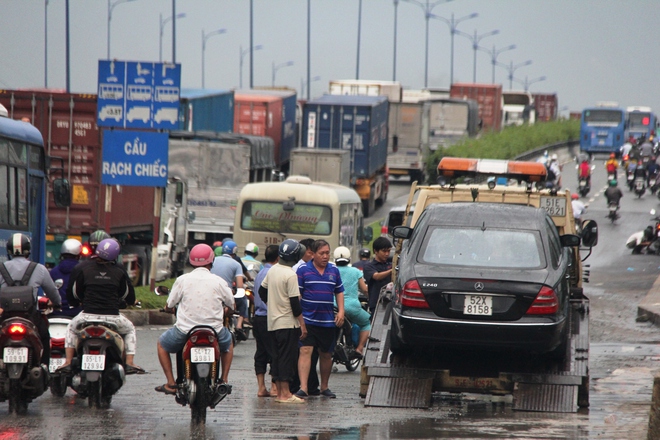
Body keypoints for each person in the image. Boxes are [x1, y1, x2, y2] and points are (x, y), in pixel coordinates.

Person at [155, 244, 235, 395]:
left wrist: (167, 309)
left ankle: (171, 383)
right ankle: (224, 380)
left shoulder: (182, 280)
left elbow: (170, 304)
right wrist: (228, 311)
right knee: (229, 343)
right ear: (211, 260)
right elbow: (231, 304)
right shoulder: (219, 281)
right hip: (215, 331)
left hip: (185, 330)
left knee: (161, 345)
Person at [58, 239, 143, 374]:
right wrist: (129, 301)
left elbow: (74, 293)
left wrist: (77, 302)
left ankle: (67, 362)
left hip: (87, 316)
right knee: (130, 329)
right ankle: (129, 362)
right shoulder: (119, 270)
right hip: (113, 318)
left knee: (71, 329)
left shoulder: (82, 268)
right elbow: (127, 295)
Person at [0, 233, 61, 365]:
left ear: (9, 251)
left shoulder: (1, 268)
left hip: (5, 317)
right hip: (31, 317)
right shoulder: (39, 269)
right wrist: (57, 304)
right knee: (44, 337)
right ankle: (44, 369)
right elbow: (53, 293)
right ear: (28, 250)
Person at [258, 239, 307, 404]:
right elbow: (295, 304)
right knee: (287, 358)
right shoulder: (290, 274)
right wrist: (302, 324)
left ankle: (279, 393)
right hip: (287, 323)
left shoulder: (273, 270)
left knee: (277, 358)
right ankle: (285, 394)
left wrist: (273, 305)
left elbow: (261, 291)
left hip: (272, 322)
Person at [295, 239, 344, 399]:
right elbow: (298, 295)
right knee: (305, 350)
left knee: (326, 354)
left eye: (327, 253)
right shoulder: (303, 270)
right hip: (308, 320)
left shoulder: (333, 270)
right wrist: (299, 318)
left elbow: (339, 291)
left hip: (327, 321)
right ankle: (304, 388)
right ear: (313, 254)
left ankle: (324, 387)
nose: (325, 256)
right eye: (321, 253)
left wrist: (341, 311)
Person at [333, 246, 371, 358]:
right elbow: (364, 289)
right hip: (351, 307)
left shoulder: (330, 270)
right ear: (349, 258)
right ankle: (359, 349)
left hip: (332, 307)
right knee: (366, 323)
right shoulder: (355, 271)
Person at [252, 245, 279, 397]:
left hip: (258, 317)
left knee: (261, 352)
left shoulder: (261, 271)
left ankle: (261, 387)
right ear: (278, 258)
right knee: (275, 352)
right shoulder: (274, 273)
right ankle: (274, 387)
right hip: (270, 317)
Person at [211, 240, 248, 341]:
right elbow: (240, 286)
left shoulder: (213, 260)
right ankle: (239, 326)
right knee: (243, 300)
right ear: (235, 251)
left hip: (211, 292)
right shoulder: (236, 264)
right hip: (227, 294)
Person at [49, 239, 83, 318]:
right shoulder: (83, 271)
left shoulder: (53, 271)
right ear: (78, 255)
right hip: (76, 314)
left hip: (56, 314)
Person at [363, 237, 393, 316]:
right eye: (384, 251)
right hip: (376, 304)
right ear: (375, 251)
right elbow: (377, 276)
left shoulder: (390, 264)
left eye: (388, 251)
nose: (387, 254)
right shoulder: (369, 266)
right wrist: (392, 271)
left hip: (391, 303)